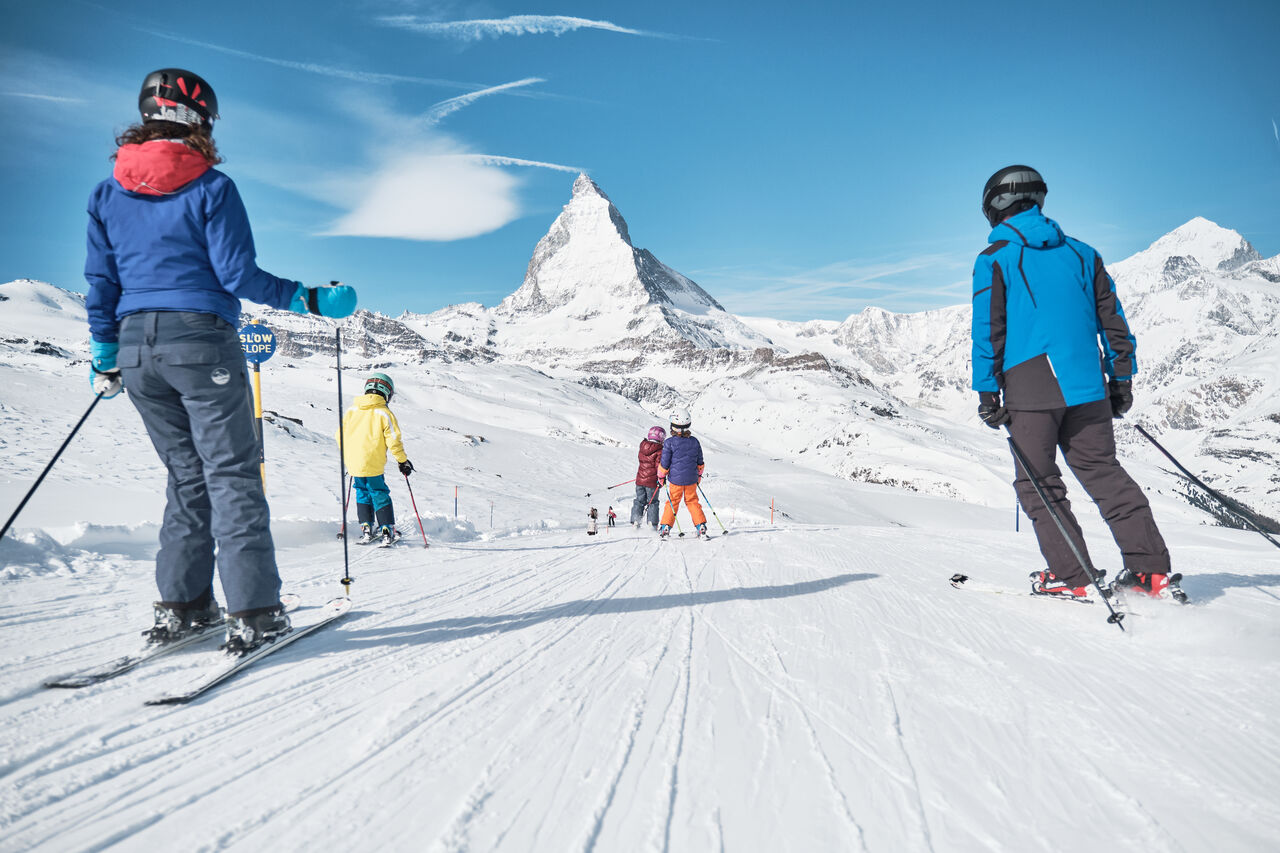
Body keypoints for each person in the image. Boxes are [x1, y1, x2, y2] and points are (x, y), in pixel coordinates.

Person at [85, 68, 357, 653]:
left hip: (136, 349)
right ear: (202, 122)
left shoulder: (106, 192)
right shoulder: (211, 187)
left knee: (186, 477)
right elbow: (238, 275)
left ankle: (183, 607)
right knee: (232, 475)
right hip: (201, 339)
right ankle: (255, 612)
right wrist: (308, 298)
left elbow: (100, 282)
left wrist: (106, 353)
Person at [971, 165, 1172, 600]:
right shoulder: (1084, 254)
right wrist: (1120, 380)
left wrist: (987, 391)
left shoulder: (995, 258)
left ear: (995, 206)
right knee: (1103, 472)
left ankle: (1075, 577)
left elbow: (989, 330)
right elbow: (1113, 322)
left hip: (1030, 388)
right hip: (1089, 386)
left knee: (1038, 483)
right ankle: (1150, 572)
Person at [337, 373, 412, 546]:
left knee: (362, 492)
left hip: (354, 463)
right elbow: (393, 440)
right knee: (378, 492)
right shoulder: (383, 413)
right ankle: (387, 529)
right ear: (387, 393)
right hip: (373, 463)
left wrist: (349, 457)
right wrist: (402, 461)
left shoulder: (351, 410)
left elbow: (340, 436)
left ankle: (366, 528)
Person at [658, 409, 709, 540]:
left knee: (672, 502)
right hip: (691, 480)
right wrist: (698, 476)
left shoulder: (669, 443)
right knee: (692, 502)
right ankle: (701, 526)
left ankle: (665, 528)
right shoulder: (695, 441)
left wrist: (661, 477)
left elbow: (664, 464)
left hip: (675, 481)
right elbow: (700, 462)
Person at [631, 426, 665, 530]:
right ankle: (652, 523)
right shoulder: (660, 450)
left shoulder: (642, 447)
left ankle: (636, 521)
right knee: (653, 502)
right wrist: (662, 479)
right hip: (652, 482)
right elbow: (659, 466)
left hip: (640, 480)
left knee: (639, 501)